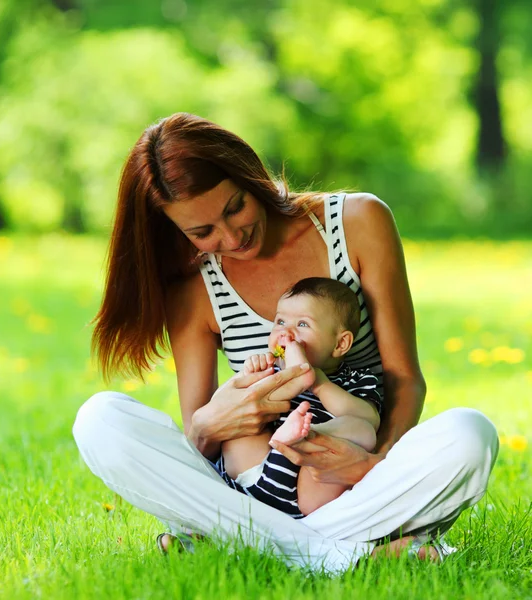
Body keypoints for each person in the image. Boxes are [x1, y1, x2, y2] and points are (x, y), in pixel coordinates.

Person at [73, 113, 498, 573]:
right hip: (254, 486)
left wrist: (369, 465)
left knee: (469, 434)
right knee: (100, 421)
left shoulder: (357, 221)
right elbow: (199, 448)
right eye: (202, 232)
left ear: (248, 174)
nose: (232, 237)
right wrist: (209, 424)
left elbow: (403, 378)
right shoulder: (194, 287)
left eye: (234, 207)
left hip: (352, 481)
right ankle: (343, 556)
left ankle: (245, 543)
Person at [221, 277, 382, 518]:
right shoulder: (270, 371)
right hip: (251, 474)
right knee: (238, 418)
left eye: (303, 324)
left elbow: (371, 420)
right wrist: (251, 374)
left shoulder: (357, 380)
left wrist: (318, 382)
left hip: (308, 488)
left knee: (362, 430)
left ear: (340, 343)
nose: (286, 332)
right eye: (280, 321)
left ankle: (300, 438)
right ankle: (189, 536)